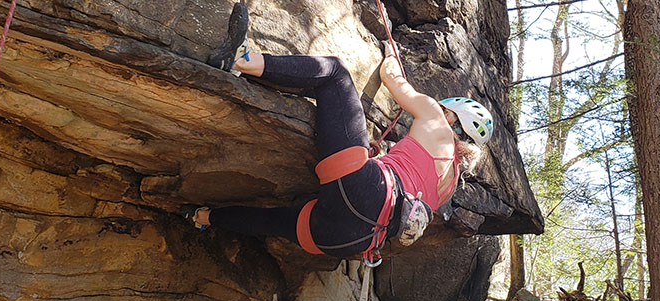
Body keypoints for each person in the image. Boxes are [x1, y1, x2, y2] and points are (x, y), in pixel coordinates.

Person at [181, 3, 495, 258]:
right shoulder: (449, 186)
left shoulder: (436, 119)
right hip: (353, 239)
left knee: (334, 73)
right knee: (270, 220)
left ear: (453, 117)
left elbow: (394, 80)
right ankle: (201, 217)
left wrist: (391, 55)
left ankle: (243, 60)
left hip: (366, 188)